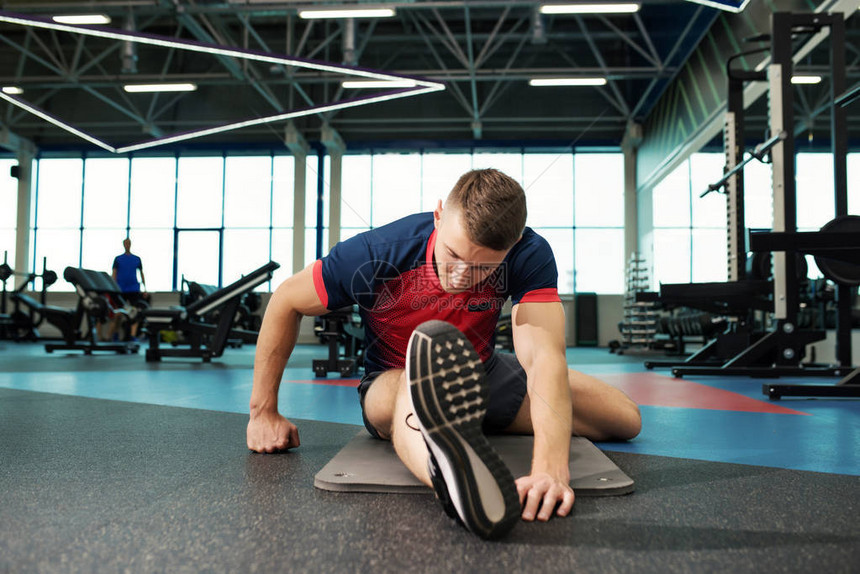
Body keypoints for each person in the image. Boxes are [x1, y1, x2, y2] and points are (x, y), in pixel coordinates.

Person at [246, 169, 641, 539]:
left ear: (513, 243)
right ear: (438, 215)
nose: (460, 276)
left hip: (482, 374)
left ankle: (462, 426)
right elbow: (286, 300)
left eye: (481, 268)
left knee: (625, 419)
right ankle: (452, 483)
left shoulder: (529, 254)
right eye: (453, 255)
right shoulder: (376, 253)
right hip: (393, 383)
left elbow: (543, 358)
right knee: (408, 387)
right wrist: (263, 412)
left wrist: (550, 469)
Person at [110, 238, 147, 340]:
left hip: (134, 289)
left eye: (128, 243)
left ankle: (133, 335)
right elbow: (114, 273)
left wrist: (145, 288)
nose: (127, 245)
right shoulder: (118, 259)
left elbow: (141, 273)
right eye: (125, 243)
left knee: (135, 313)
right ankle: (115, 334)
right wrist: (113, 288)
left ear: (130, 244)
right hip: (120, 289)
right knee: (118, 313)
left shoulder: (137, 259)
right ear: (123, 245)